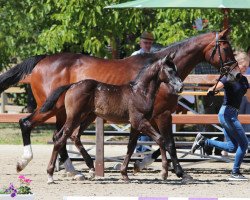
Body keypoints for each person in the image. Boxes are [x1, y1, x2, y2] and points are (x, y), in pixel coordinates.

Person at [191, 51, 250, 181]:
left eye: (247, 66)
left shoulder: (244, 80)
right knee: (244, 144)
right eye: (243, 66)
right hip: (227, 113)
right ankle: (235, 173)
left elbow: (249, 97)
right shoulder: (229, 76)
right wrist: (212, 90)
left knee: (232, 147)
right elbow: (215, 87)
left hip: (232, 114)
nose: (245, 68)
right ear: (236, 64)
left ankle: (203, 141)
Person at [132, 31, 154, 154]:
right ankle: (139, 150)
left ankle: (144, 150)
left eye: (150, 43)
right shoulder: (135, 56)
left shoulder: (153, 56)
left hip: (147, 94)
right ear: (140, 43)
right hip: (135, 93)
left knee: (146, 119)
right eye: (145, 43)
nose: (148, 45)